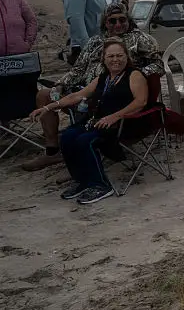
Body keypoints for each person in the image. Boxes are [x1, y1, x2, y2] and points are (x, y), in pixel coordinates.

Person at [24, 2, 161, 172]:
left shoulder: (141, 39)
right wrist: (60, 84)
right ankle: (53, 151)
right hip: (84, 88)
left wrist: (133, 76)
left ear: (128, 20)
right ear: (105, 22)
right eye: (112, 21)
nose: (118, 24)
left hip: (111, 94)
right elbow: (78, 69)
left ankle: (86, 155)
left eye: (122, 20)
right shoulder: (95, 42)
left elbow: (157, 65)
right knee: (45, 95)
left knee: (88, 107)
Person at [31, 38, 149, 205]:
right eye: (111, 56)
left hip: (123, 124)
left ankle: (100, 185)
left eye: (119, 55)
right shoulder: (103, 77)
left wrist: (114, 116)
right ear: (104, 59)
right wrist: (48, 107)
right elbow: (77, 96)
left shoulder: (134, 75)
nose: (115, 59)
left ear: (126, 57)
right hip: (99, 122)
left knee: (84, 141)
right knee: (67, 137)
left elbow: (140, 102)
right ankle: (82, 181)